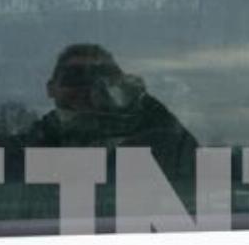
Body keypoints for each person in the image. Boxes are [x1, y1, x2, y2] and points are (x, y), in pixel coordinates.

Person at [17, 43, 198, 184]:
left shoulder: (158, 138)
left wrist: (143, 101)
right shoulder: (25, 146)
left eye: (102, 76)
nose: (87, 87)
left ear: (120, 86)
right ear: (51, 88)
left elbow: (194, 166)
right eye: (74, 76)